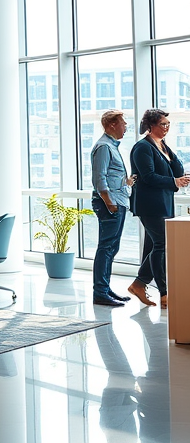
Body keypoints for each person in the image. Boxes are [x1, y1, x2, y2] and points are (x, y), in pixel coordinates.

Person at [129, 108, 189, 309]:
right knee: (162, 244)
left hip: (164, 202)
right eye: (163, 124)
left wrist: (170, 156)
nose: (166, 128)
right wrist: (174, 181)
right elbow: (148, 177)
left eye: (168, 125)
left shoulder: (161, 145)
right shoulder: (142, 148)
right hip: (149, 204)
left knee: (153, 246)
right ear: (150, 126)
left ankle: (139, 284)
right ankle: (164, 293)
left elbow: (178, 170)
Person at [90, 110, 137, 307]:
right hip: (110, 204)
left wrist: (125, 182)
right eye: (123, 123)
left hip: (117, 201)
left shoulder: (112, 146)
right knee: (106, 247)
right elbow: (99, 178)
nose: (126, 127)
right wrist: (110, 203)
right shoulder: (103, 147)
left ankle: (105, 288)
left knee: (112, 247)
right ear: (111, 125)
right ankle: (100, 292)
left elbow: (110, 176)